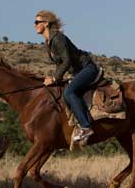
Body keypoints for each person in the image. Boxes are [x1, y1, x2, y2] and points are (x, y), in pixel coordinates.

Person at [34, 10, 98, 143]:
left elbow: (67, 60)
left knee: (69, 92)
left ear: (45, 23)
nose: (34, 25)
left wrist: (55, 78)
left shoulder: (58, 38)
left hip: (87, 69)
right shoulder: (48, 42)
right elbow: (60, 63)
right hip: (76, 72)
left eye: (37, 22)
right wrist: (54, 78)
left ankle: (86, 127)